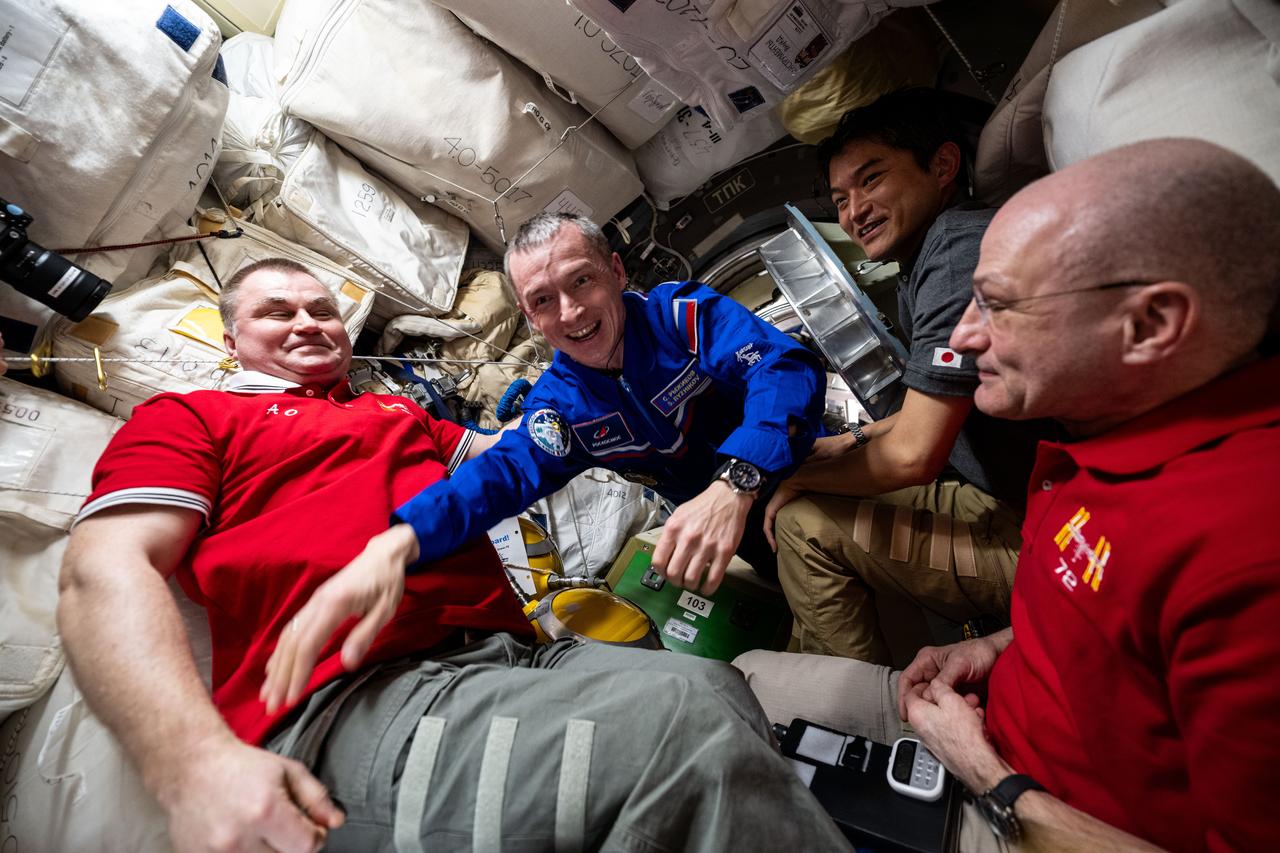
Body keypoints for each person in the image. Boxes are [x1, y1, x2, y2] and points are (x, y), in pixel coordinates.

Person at [57, 258, 850, 852]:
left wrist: (622, 383)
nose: (306, 322)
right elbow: (101, 569)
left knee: (716, 686)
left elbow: (516, 459)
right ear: (232, 339)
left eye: (322, 309)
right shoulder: (191, 419)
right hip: (361, 696)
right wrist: (191, 766)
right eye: (275, 312)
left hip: (504, 659)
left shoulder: (392, 416)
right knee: (682, 728)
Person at [736, 138, 1280, 851]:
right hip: (985, 715)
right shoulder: (1098, 443)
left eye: (997, 306)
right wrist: (998, 647)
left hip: (1016, 803)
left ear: (1149, 325)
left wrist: (988, 775)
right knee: (734, 687)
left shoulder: (1246, 555)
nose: (962, 337)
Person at [763, 88, 1054, 665]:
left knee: (802, 524)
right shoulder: (924, 263)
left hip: (1040, 534)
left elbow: (914, 455)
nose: (854, 211)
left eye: (872, 181)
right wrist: (841, 444)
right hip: (1009, 496)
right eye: (842, 198)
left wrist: (796, 481)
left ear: (943, 165)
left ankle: (866, 716)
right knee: (816, 491)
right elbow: (933, 404)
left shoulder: (956, 255)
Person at [391, 211, 825, 596]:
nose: (570, 312)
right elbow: (497, 477)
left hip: (808, 476)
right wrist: (401, 540)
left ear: (616, 272)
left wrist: (736, 482)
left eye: (581, 280)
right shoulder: (561, 407)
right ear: (530, 318)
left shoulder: (680, 318)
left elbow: (782, 369)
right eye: (543, 300)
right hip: (736, 533)